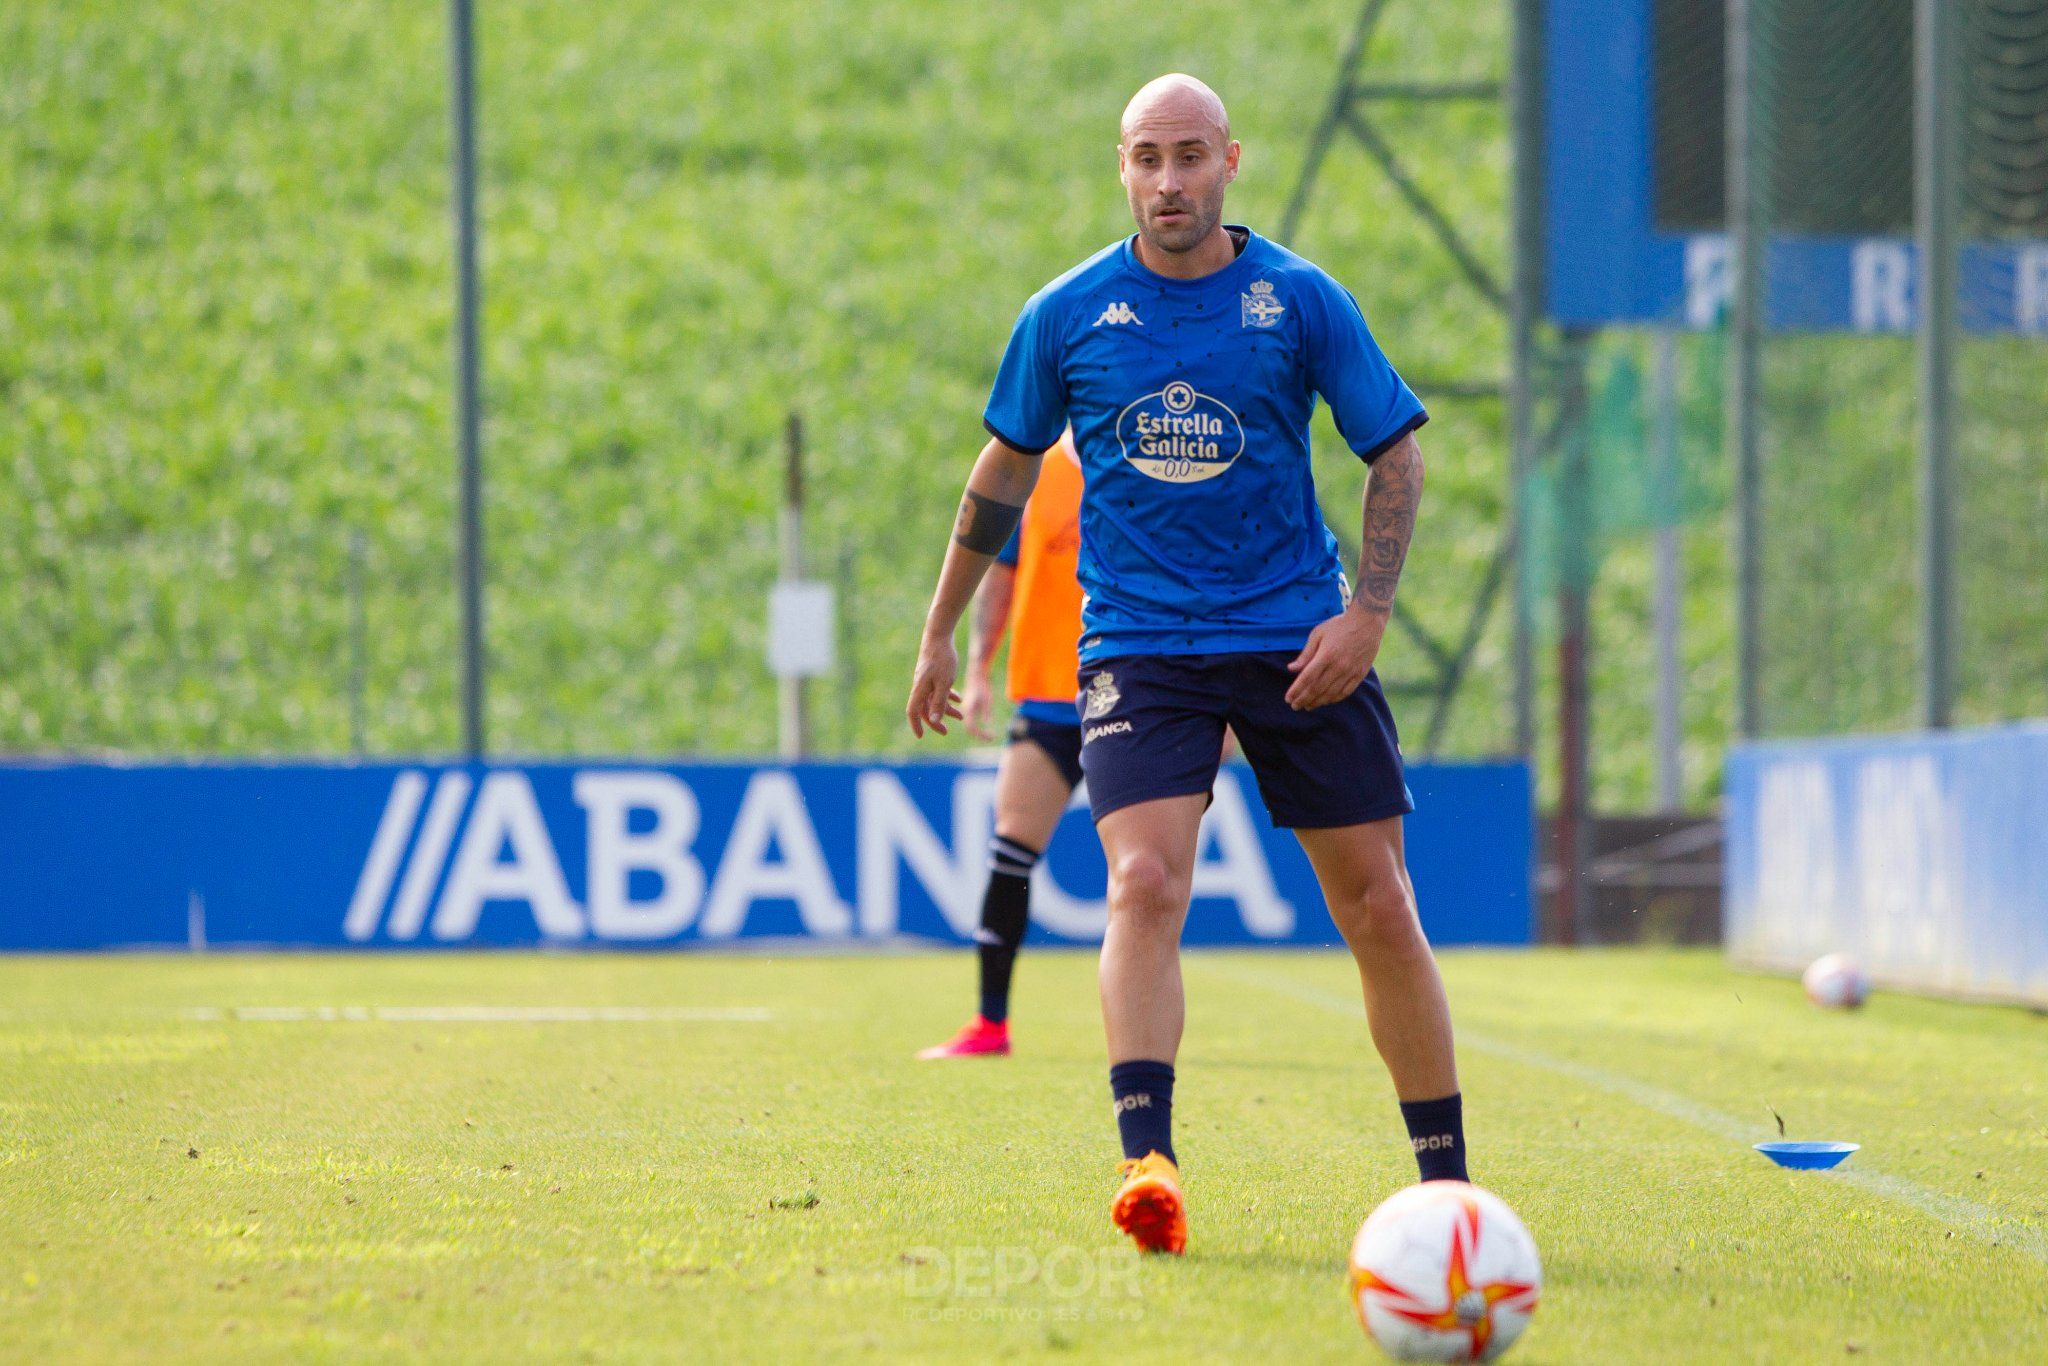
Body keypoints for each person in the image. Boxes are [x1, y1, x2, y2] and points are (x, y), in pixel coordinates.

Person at [905, 74, 1465, 1256]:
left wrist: (1366, 615)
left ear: (1229, 162)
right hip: (1142, 647)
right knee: (1143, 884)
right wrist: (941, 625)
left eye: (1190, 157)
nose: (1169, 182)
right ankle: (1147, 1162)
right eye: (1147, 158)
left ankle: (1446, 1186)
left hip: (1296, 638)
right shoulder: (1064, 316)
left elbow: (1395, 458)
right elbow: (998, 476)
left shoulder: (1300, 301)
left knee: (1375, 903)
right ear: (1121, 167)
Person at [916, 431, 1086, 1060]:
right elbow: (1004, 574)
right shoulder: (1033, 469)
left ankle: (1142, 1033)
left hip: (1138, 692)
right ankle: (991, 1024)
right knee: (1010, 847)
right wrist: (982, 671)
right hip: (1047, 695)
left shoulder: (1152, 457)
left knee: (1145, 872)